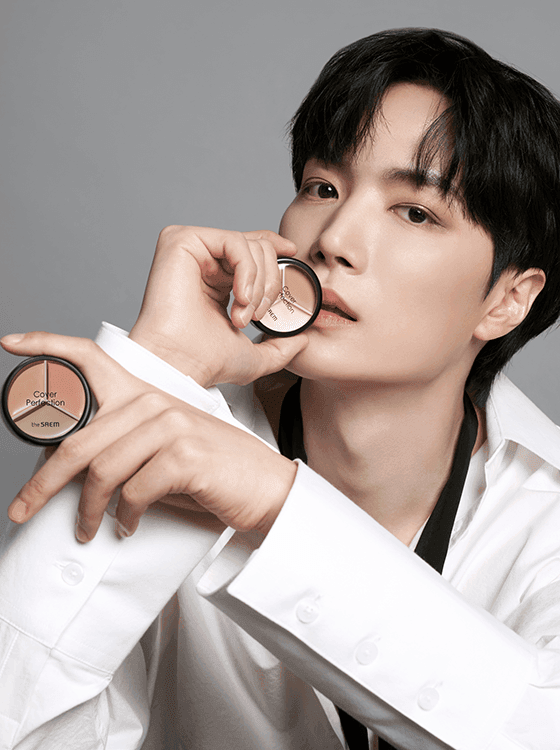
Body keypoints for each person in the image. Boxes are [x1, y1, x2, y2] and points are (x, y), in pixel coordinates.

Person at [1, 27, 560, 750]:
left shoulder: (544, 509)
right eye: (323, 188)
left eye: (415, 212)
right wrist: (163, 369)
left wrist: (274, 504)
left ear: (508, 300)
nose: (334, 239)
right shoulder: (180, 445)